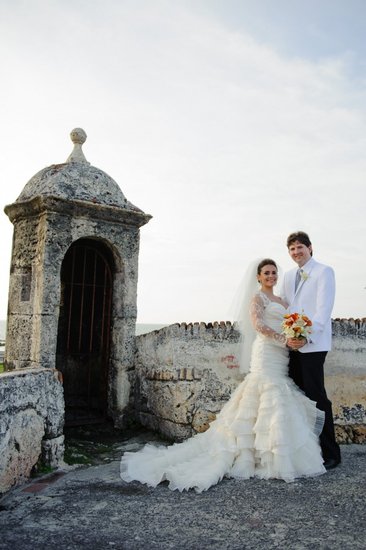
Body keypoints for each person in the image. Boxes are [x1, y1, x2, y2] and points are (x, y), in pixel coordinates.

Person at [120, 259, 326, 493]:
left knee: (276, 398)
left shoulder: (283, 300)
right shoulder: (258, 298)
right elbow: (258, 325)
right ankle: (256, 457)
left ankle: (268, 454)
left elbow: (288, 323)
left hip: (282, 355)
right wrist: (283, 339)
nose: (271, 276)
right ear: (258, 277)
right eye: (266, 273)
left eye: (274, 272)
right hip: (266, 351)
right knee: (268, 395)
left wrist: (295, 335)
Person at [281, 231, 341, 470]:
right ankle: (306, 450)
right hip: (291, 345)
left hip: (314, 345)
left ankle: (331, 452)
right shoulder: (287, 275)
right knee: (296, 396)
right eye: (292, 249)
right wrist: (289, 337)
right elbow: (286, 307)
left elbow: (323, 310)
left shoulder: (324, 271)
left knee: (317, 397)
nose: (296, 252)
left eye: (300, 247)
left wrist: (305, 338)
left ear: (310, 248)